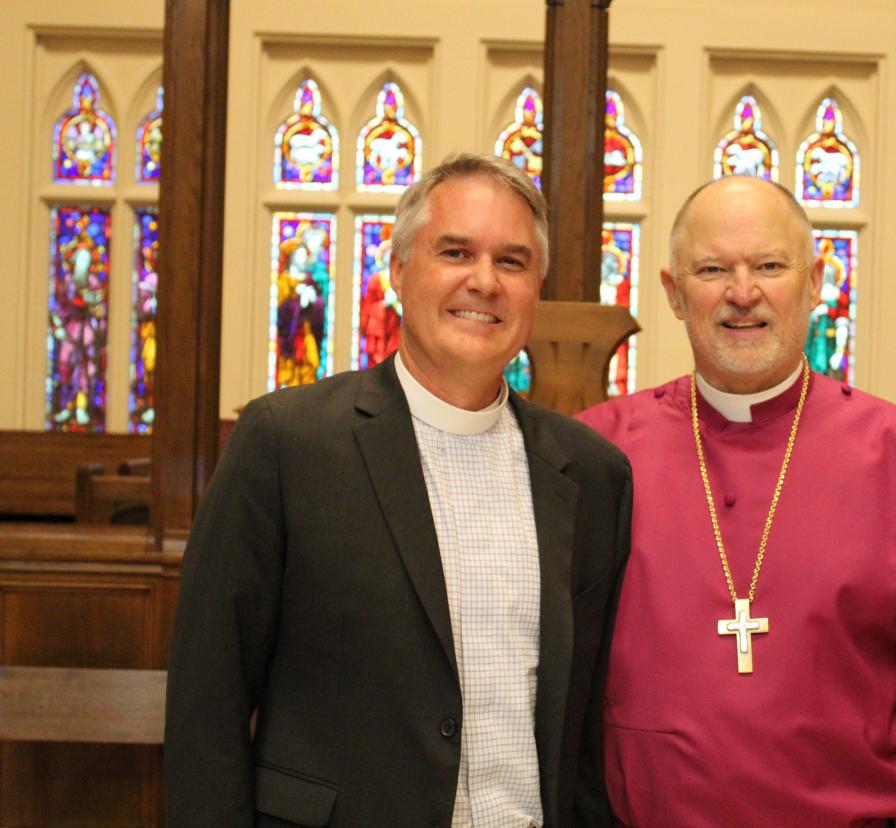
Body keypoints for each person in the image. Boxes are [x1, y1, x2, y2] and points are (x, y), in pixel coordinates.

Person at [165, 153, 632, 828]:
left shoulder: (590, 473)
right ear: (398, 272)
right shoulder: (287, 443)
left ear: (537, 289)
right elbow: (207, 700)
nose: (484, 281)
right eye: (455, 252)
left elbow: (584, 725)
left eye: (513, 261)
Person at [578, 175, 896, 827]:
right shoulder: (596, 455)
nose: (742, 294)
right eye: (713, 268)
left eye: (770, 266)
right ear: (672, 292)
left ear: (813, 282)